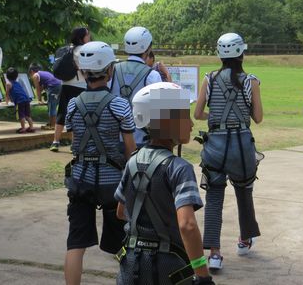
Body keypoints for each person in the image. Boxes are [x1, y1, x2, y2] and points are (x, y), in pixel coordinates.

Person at [115, 82, 213, 285]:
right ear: (167, 121)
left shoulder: (132, 161)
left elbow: (120, 211)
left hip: (131, 265)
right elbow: (187, 225)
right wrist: (202, 274)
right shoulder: (179, 167)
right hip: (168, 268)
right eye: (185, 116)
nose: (192, 124)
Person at [63, 41, 136, 285]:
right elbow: (129, 148)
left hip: (81, 181)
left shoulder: (73, 104)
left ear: (82, 72)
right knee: (123, 243)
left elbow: (76, 142)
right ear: (110, 70)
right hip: (113, 184)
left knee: (75, 243)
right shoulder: (119, 104)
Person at [193, 33, 263, 271]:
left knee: (214, 198)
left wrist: (216, 118)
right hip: (242, 147)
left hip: (215, 146)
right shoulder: (251, 81)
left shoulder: (209, 79)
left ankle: (214, 253)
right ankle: (244, 239)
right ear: (241, 54)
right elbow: (258, 118)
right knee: (244, 192)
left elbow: (198, 113)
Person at [110, 26, 162, 148]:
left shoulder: (112, 71)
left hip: (113, 140)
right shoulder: (152, 75)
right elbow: (161, 114)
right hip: (141, 141)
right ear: (148, 48)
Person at [51, 27, 91, 152]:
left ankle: (55, 142)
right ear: (82, 37)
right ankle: (74, 144)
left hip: (65, 85)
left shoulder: (68, 49)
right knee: (77, 115)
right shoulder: (83, 50)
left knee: (62, 113)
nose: (89, 37)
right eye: (87, 35)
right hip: (79, 87)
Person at [28, 63, 62, 130]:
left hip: (53, 87)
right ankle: (51, 123)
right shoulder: (43, 73)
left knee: (52, 106)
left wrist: (39, 100)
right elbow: (41, 88)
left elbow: (37, 89)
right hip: (60, 85)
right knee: (52, 105)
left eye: (30, 74)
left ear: (31, 71)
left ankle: (53, 126)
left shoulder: (35, 75)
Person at [5, 67, 34, 133]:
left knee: (21, 115)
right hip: (26, 99)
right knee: (27, 115)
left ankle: (23, 128)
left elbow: (7, 94)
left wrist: (6, 102)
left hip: (20, 101)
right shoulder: (18, 83)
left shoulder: (8, 84)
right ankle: (31, 127)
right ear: (16, 76)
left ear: (7, 76)